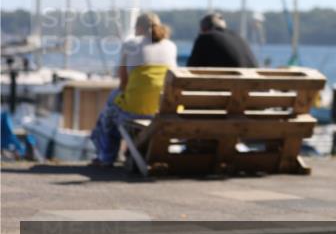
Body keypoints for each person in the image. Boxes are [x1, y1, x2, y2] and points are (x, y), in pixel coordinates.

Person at [90, 12, 178, 166]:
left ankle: (107, 156)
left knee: (110, 108)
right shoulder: (170, 46)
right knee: (113, 104)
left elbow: (123, 83)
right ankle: (130, 151)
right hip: (162, 109)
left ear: (139, 27)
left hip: (136, 109)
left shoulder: (131, 44)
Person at [186, 12, 258, 68]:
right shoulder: (238, 37)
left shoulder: (205, 37)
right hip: (253, 84)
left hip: (230, 84)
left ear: (204, 28)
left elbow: (192, 67)